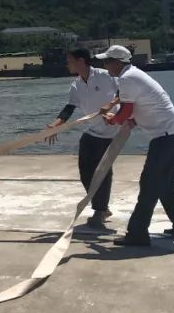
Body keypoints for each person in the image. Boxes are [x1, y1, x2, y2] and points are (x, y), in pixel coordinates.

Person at [96, 45, 174, 247]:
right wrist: (129, 120)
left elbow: (125, 112)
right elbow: (139, 108)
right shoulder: (132, 75)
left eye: (107, 61)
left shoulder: (127, 78)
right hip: (173, 134)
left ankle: (137, 234)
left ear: (117, 62)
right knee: (166, 186)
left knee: (149, 185)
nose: (105, 65)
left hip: (165, 137)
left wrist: (112, 119)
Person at [46, 47, 121, 230]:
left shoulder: (105, 76)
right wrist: (54, 126)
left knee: (102, 170)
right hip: (93, 129)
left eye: (70, 61)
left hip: (113, 128)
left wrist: (110, 105)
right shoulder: (76, 85)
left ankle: (100, 210)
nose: (67, 65)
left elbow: (124, 93)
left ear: (81, 61)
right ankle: (101, 206)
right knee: (85, 169)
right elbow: (68, 109)